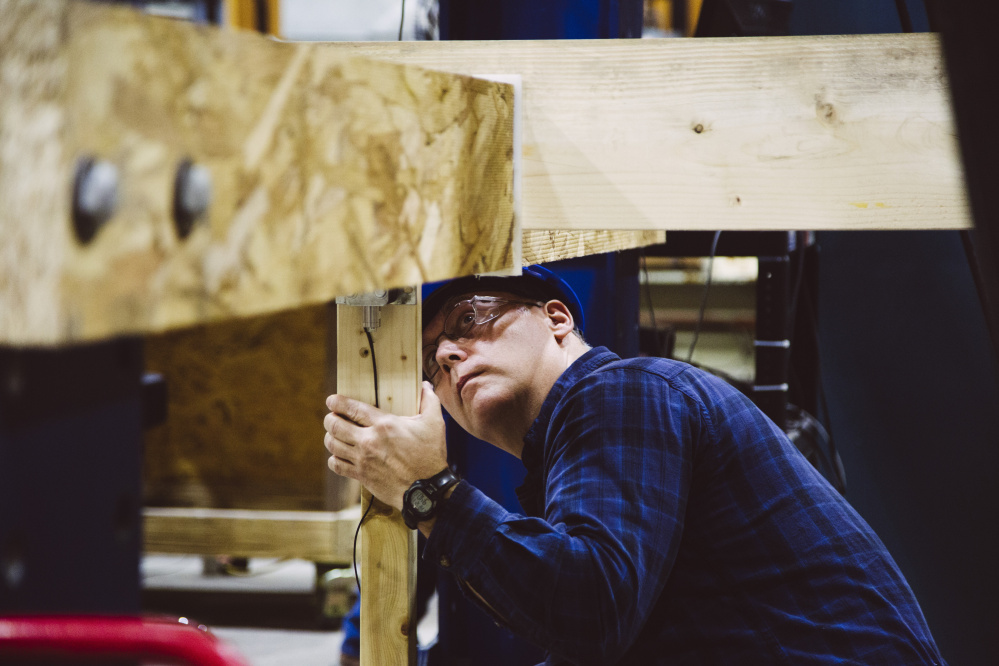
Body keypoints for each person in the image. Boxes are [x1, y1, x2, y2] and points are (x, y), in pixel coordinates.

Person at [323, 265, 946, 665]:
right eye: (433, 362)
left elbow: (589, 607)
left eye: (469, 319)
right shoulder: (570, 453)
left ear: (557, 319)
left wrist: (428, 489)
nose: (451, 354)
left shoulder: (623, 393)